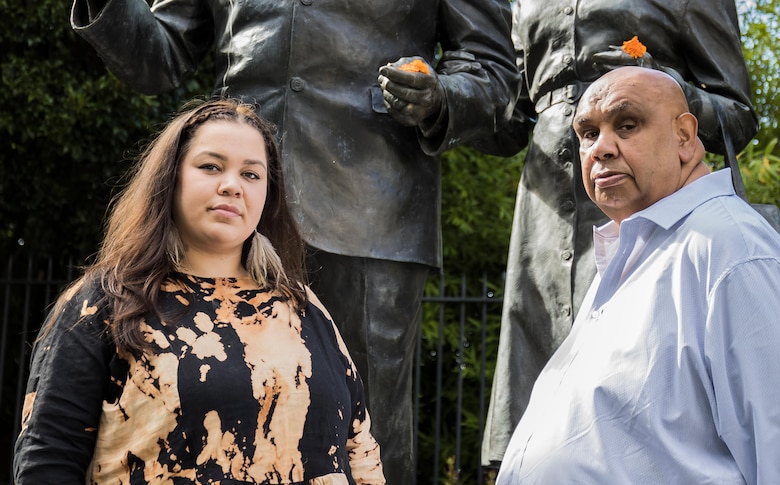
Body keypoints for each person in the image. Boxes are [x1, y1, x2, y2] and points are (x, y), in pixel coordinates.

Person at [68, 1, 519, 481]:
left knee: (368, 431)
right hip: (233, 212)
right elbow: (158, 57)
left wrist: (440, 95)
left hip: (369, 210)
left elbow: (493, 71)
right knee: (206, 403)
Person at [495, 66, 780, 483]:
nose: (601, 148)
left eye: (627, 125)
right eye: (588, 133)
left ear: (684, 137)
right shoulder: (634, 252)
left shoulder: (732, 249)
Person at [14, 99, 385, 484]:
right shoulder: (104, 302)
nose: (232, 186)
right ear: (170, 179)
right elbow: (48, 461)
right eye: (211, 166)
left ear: (267, 195)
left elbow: (361, 453)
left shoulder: (303, 307)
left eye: (251, 175)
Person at [479, 0, 760, 465]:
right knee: (537, 429)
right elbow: (509, 120)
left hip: (650, 210)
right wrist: (444, 100)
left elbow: (738, 115)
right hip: (543, 217)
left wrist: (665, 91)